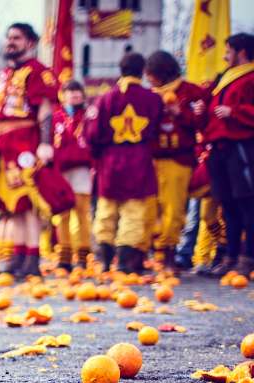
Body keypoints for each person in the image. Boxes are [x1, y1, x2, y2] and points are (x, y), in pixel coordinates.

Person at [0, 23, 60, 278]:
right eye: (8, 37)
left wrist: (45, 143)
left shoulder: (39, 72)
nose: (10, 42)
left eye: (17, 38)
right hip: (2, 150)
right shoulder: (3, 76)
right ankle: (18, 257)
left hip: (25, 146)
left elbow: (45, 110)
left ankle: (32, 260)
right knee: (11, 207)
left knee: (28, 203)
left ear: (30, 43)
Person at [86, 52, 162, 273]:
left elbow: (92, 134)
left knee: (106, 209)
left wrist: (99, 154)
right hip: (139, 159)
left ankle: (104, 259)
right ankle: (127, 262)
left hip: (110, 160)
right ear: (142, 72)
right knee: (133, 210)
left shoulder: (106, 99)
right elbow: (157, 131)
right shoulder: (153, 99)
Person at [141, 51, 207, 270]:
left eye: (151, 75)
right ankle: (153, 250)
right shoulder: (148, 95)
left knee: (173, 208)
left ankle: (169, 253)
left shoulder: (191, 92)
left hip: (178, 159)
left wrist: (180, 113)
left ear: (162, 73)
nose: (149, 79)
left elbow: (203, 123)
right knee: (150, 208)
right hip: (151, 160)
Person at [201, 33, 254, 276]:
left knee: (247, 203)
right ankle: (230, 256)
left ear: (241, 52)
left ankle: (248, 257)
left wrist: (235, 111)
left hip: (242, 146)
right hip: (219, 148)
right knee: (227, 204)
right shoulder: (224, 78)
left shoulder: (251, 77)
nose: (224, 56)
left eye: (228, 50)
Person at [51, 80, 93, 269]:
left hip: (82, 169)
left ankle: (83, 254)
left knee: (82, 211)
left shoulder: (90, 116)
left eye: (78, 92)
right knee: (62, 213)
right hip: (60, 170)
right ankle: (64, 254)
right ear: (63, 95)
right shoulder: (55, 117)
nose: (74, 95)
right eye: (70, 92)